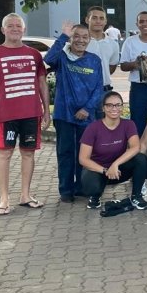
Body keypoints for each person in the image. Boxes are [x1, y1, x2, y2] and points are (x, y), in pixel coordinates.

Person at [0, 13, 51, 215]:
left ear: (24, 29)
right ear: (3, 30)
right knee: (5, 154)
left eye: (18, 26)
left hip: (31, 114)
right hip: (5, 115)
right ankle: (4, 199)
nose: (14, 29)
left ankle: (25, 196)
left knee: (28, 153)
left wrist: (46, 111)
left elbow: (42, 84)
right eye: (10, 26)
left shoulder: (34, 54)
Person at [45, 21, 103, 203]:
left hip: (87, 117)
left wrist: (87, 109)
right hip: (65, 115)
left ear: (90, 39)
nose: (80, 40)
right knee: (65, 153)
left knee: (84, 154)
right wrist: (63, 37)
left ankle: (82, 187)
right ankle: (66, 190)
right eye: (76, 36)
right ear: (71, 38)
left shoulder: (94, 60)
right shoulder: (62, 58)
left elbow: (98, 89)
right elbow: (48, 59)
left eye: (85, 37)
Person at [78, 91, 147, 211]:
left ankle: (136, 196)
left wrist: (115, 165)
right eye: (110, 105)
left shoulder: (128, 124)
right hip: (98, 170)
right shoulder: (93, 128)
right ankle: (95, 196)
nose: (114, 108)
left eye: (118, 105)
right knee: (91, 188)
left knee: (140, 158)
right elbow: (83, 159)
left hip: (118, 170)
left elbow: (135, 147)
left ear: (122, 107)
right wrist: (105, 170)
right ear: (103, 107)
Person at [85, 6, 120, 97]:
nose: (98, 21)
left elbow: (111, 68)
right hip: (83, 91)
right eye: (94, 18)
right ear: (87, 20)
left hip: (104, 92)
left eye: (101, 18)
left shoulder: (113, 44)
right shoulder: (79, 42)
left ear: (105, 21)